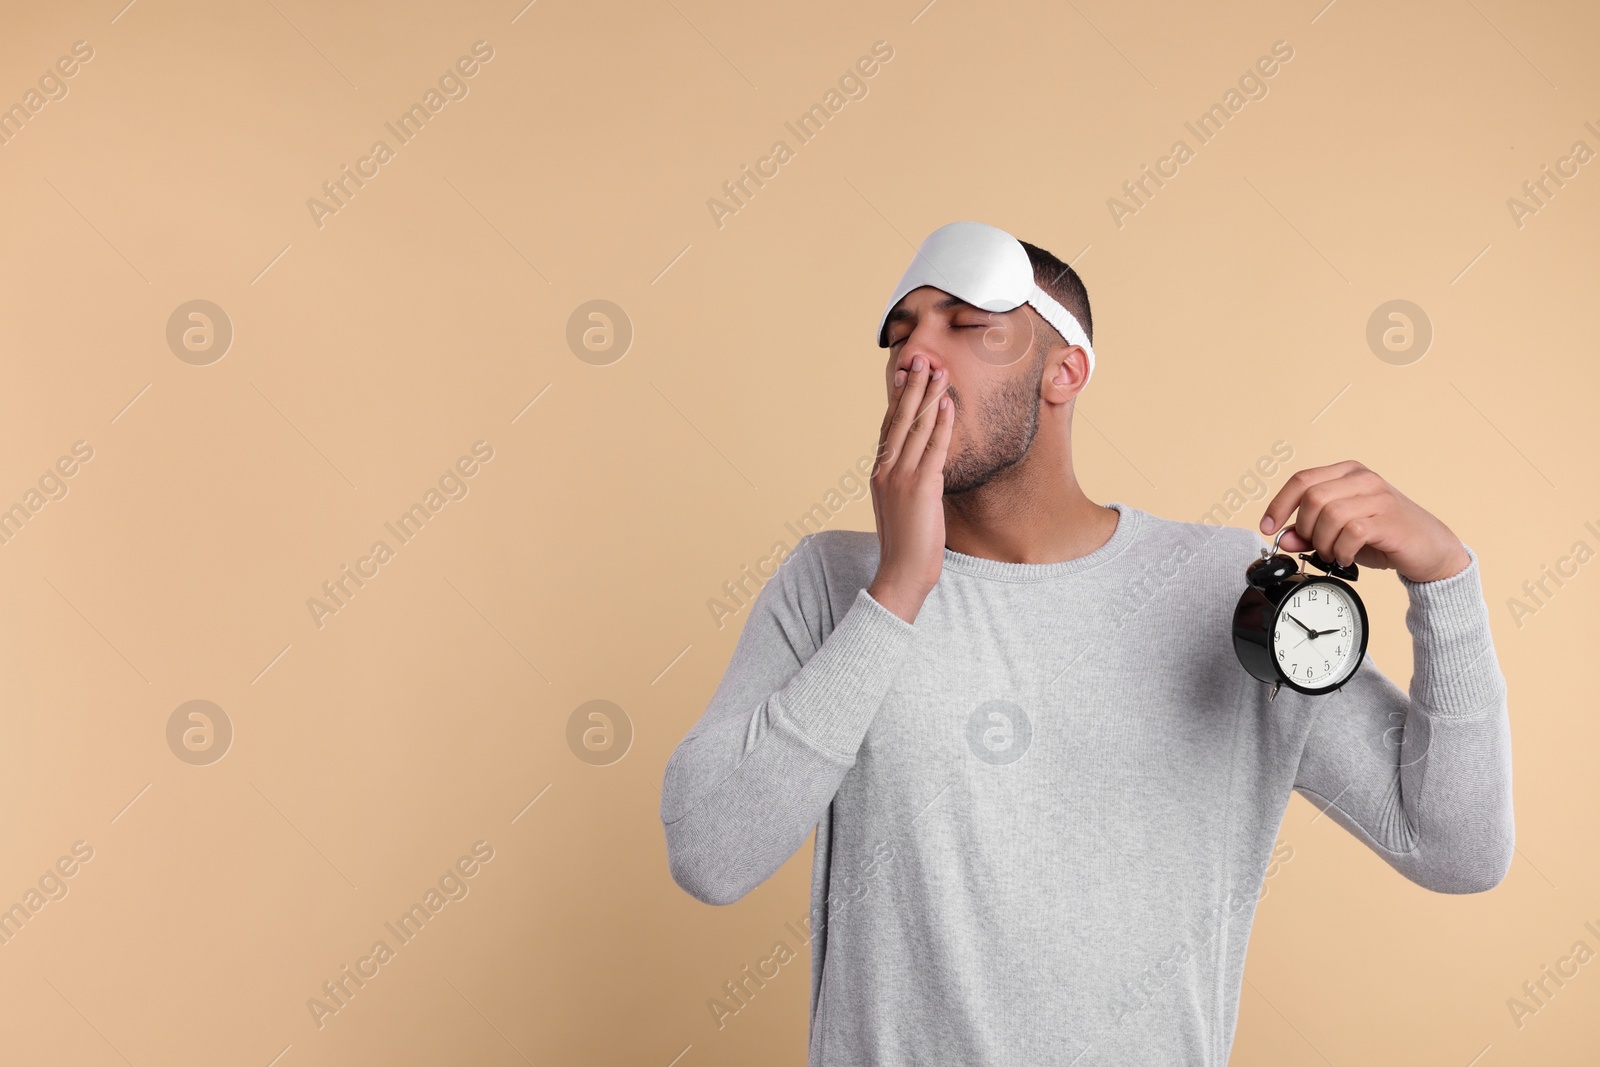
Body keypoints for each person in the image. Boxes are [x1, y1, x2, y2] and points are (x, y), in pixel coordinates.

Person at [658, 220, 1514, 1064]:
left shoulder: (1226, 592)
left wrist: (1445, 579)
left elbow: (1455, 849)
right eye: (901, 332)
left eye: (969, 326)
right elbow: (710, 852)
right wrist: (898, 589)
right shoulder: (833, 582)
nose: (918, 355)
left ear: (1065, 370)